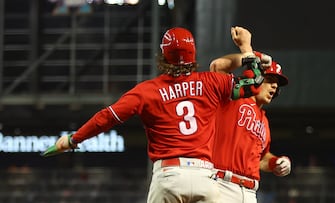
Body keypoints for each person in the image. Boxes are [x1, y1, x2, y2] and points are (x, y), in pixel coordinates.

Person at [42, 27, 263, 203]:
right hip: (205, 178)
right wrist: (247, 48)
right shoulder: (213, 82)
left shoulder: (146, 91)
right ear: (193, 52)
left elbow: (106, 117)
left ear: (164, 55)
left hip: (169, 178)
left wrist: (73, 140)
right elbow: (254, 84)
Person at [209, 26, 291, 203]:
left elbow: (261, 158)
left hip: (250, 191)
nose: (274, 86)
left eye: (277, 84)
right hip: (222, 184)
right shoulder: (233, 97)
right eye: (269, 80)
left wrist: (275, 162)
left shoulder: (264, 121)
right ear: (257, 78)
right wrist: (249, 53)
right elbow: (217, 66)